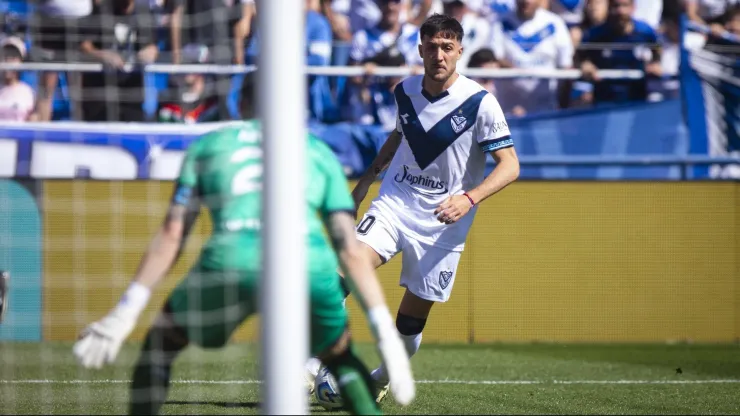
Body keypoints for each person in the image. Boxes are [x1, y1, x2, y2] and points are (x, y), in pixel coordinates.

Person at [71, 72, 416, 415]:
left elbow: (172, 235)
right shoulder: (317, 153)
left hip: (230, 260)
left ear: (241, 102)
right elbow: (349, 249)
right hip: (307, 266)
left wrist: (125, 311)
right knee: (340, 356)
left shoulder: (209, 146)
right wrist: (384, 331)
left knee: (163, 344)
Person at [306, 13, 520, 402]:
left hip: (442, 222)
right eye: (432, 47)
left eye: (447, 48)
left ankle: (381, 377)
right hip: (394, 203)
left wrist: (468, 198)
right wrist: (367, 180)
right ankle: (307, 366)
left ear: (459, 51)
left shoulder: (481, 103)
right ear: (420, 50)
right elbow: (400, 133)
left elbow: (511, 166)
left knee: (407, 326)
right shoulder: (404, 91)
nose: (439, 55)